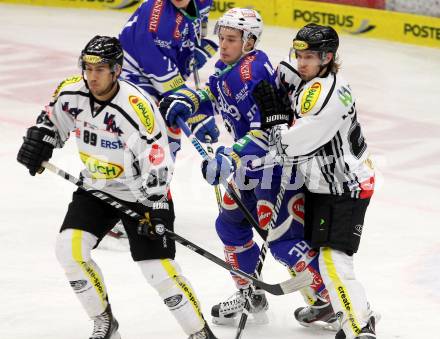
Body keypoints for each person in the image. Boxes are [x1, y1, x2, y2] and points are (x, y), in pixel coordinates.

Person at [16, 36, 217, 339]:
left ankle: (200, 333)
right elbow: (51, 123)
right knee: (69, 251)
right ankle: (105, 322)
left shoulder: (137, 108)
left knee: (157, 270)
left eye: (100, 69)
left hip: (141, 193)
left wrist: (156, 208)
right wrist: (40, 141)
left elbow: (158, 163)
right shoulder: (71, 93)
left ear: (117, 70)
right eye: (88, 67)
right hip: (96, 187)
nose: (92, 76)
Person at [160, 8, 334, 328]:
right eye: (221, 38)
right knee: (229, 225)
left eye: (231, 39)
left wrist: (231, 158)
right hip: (250, 165)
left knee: (283, 242)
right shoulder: (231, 68)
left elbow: (267, 131)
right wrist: (188, 99)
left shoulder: (254, 71)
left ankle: (332, 302)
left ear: (249, 41)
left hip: (276, 167)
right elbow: (214, 93)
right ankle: (249, 292)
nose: (223, 45)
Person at [262, 23, 379, 338]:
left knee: (332, 258)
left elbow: (289, 146)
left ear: (327, 57)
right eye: (299, 55)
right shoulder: (315, 79)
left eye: (309, 56)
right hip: (321, 184)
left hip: (345, 188)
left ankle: (358, 324)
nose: (301, 62)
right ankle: (327, 304)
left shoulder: (325, 95)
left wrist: (274, 121)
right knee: (305, 248)